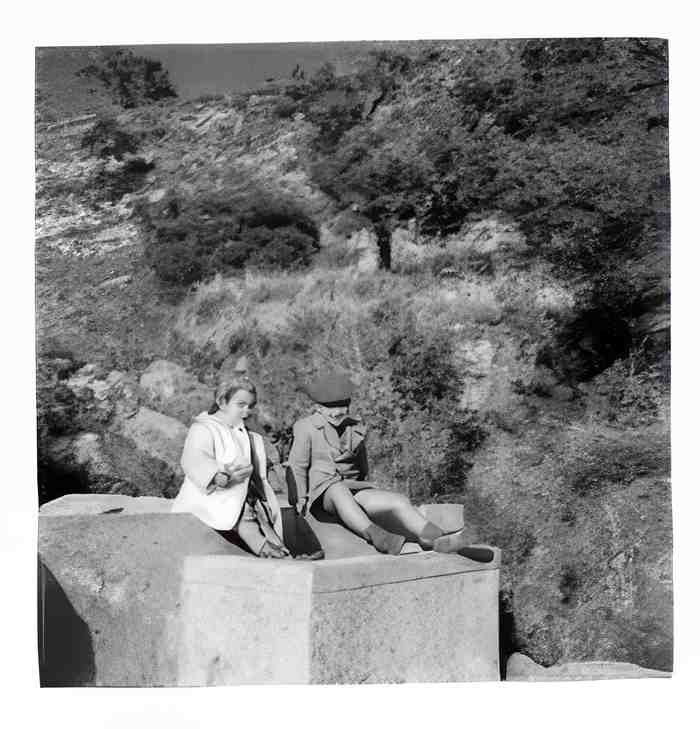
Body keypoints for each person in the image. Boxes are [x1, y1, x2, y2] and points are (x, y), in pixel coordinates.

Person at [287, 372, 488, 557]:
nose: (338, 411)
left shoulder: (355, 428)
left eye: (343, 405)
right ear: (318, 407)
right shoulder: (306, 427)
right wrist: (299, 501)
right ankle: (382, 539)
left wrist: (363, 494)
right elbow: (297, 467)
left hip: (352, 489)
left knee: (398, 501)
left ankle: (437, 538)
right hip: (323, 493)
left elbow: (361, 468)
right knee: (337, 489)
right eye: (332, 407)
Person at [171, 376, 290, 559]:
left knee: (261, 516)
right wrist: (216, 475)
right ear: (222, 402)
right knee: (244, 518)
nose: (246, 411)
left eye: (250, 406)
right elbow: (194, 458)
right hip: (212, 494)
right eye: (240, 405)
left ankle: (277, 547)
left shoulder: (243, 431)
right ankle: (264, 548)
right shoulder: (205, 428)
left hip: (242, 492)